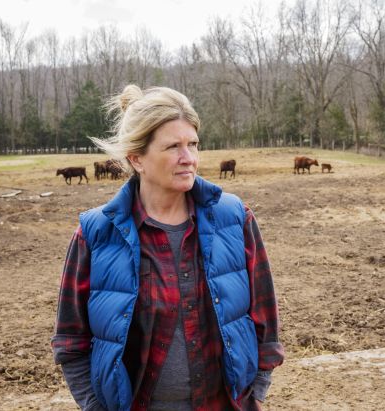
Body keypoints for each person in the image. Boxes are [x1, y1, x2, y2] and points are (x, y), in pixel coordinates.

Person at [51, 85, 284, 411]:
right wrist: (94, 405)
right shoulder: (95, 234)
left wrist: (254, 393)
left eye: (193, 144)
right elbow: (70, 341)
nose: (188, 158)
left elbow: (265, 321)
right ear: (137, 159)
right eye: (173, 146)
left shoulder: (234, 219)